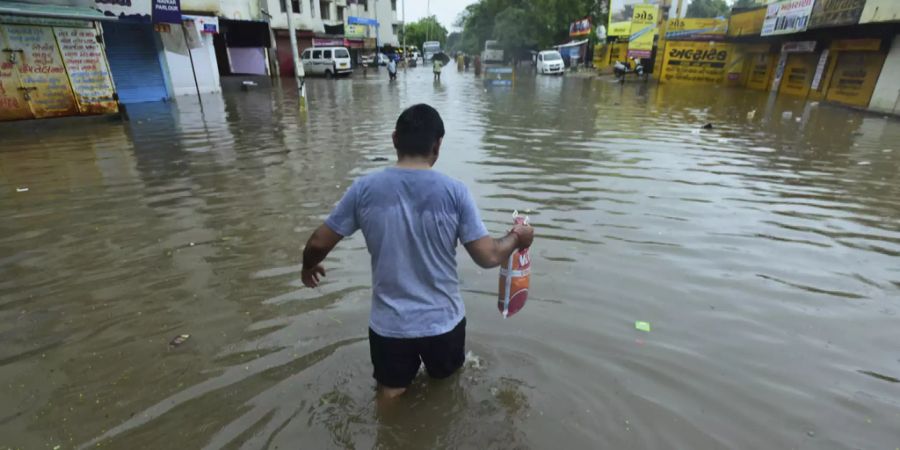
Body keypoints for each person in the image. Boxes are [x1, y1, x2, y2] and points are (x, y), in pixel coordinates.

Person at [300, 104, 535, 400]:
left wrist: (308, 266)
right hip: (443, 324)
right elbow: (488, 256)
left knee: (390, 395)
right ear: (437, 145)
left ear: (395, 139)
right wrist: (518, 237)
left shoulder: (364, 190)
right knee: (447, 395)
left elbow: (318, 244)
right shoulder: (455, 192)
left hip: (390, 327)